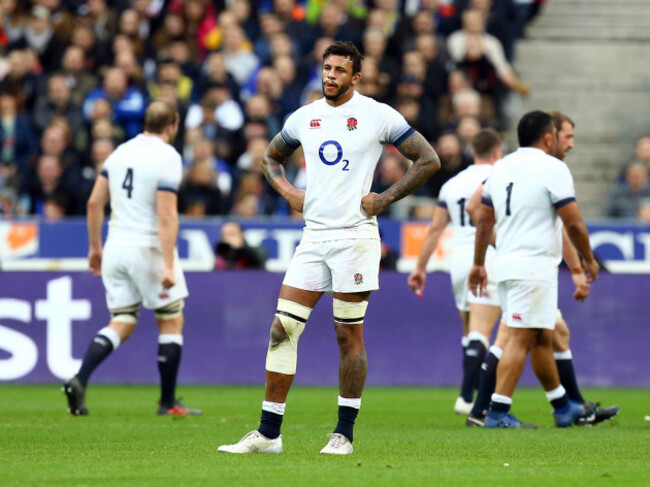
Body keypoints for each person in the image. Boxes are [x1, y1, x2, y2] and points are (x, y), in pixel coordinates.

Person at [218, 41, 440, 455]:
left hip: (355, 237)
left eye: (340, 70)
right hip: (314, 238)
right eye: (326, 68)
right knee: (281, 329)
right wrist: (289, 192)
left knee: (346, 335)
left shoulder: (378, 115)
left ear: (356, 76)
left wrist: (384, 198)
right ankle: (268, 434)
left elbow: (428, 160)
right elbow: (270, 158)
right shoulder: (305, 117)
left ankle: (344, 434)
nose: (330, 76)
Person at [465, 112, 620, 427]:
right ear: (548, 137)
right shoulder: (553, 168)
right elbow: (573, 221)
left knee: (541, 337)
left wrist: (480, 263)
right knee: (520, 339)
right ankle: (496, 412)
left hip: (508, 265)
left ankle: (564, 407)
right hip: (533, 267)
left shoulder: (503, 167)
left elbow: (484, 220)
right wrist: (589, 259)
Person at [62, 101, 201, 418]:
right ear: (172, 126)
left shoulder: (120, 152)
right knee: (170, 318)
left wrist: (95, 248)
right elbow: (166, 216)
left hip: (115, 246)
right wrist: (168, 264)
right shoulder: (168, 157)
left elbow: (94, 203)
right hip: (146, 248)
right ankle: (167, 403)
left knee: (122, 320)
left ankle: (80, 378)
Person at [408, 129, 503, 415]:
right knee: (484, 331)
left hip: (458, 260)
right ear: (497, 151)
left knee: (469, 332)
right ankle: (466, 397)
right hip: (489, 255)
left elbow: (436, 228)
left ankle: (471, 395)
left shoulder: (452, 184)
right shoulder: (501, 177)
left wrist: (420, 267)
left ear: (472, 152)